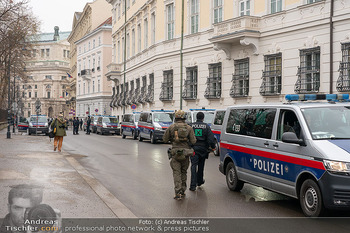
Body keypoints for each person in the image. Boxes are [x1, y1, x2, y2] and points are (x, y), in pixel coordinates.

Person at [163, 110, 196, 200]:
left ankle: (177, 193)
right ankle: (183, 190)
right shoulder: (189, 128)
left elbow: (165, 139)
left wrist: (172, 139)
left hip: (175, 153)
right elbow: (193, 141)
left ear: (176, 117)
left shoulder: (171, 127)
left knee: (176, 173)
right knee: (183, 172)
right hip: (186, 153)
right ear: (184, 117)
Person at [189, 112, 216, 191]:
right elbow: (211, 139)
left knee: (193, 166)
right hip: (203, 149)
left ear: (196, 117)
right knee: (201, 166)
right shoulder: (206, 126)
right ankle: (199, 181)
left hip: (194, 149)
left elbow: (188, 137)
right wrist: (213, 147)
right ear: (203, 118)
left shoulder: (191, 126)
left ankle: (192, 185)